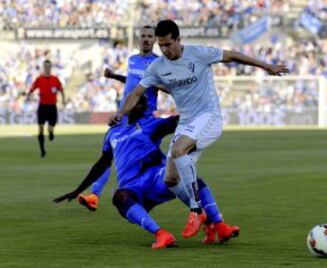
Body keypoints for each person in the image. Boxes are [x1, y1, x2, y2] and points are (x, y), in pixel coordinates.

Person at [111, 19, 289, 239]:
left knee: (177, 151)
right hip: (188, 122)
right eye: (161, 46)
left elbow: (232, 55)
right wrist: (120, 113)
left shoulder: (198, 54)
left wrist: (267, 66)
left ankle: (196, 211)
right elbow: (136, 93)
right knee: (171, 179)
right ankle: (216, 223)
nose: (165, 50)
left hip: (209, 117)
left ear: (178, 39)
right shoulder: (158, 67)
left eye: (168, 44)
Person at [54, 96, 239, 249]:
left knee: (191, 180)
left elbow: (175, 122)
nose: (138, 107)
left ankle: (219, 225)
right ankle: (162, 234)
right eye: (134, 103)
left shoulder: (150, 124)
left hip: (156, 177)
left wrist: (196, 110)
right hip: (134, 188)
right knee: (119, 197)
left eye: (141, 104)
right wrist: (77, 190)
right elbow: (102, 163)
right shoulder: (113, 133)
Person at [77, 25, 163, 210]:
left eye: (150, 36)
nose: (146, 39)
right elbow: (133, 81)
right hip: (125, 115)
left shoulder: (158, 63)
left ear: (155, 40)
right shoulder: (132, 59)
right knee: (109, 154)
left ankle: (196, 205)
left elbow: (159, 85)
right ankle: (94, 195)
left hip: (143, 117)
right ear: (139, 39)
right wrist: (115, 76)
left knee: (150, 160)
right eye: (143, 36)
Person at [26, 59, 65, 157]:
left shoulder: (55, 79)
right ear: (44, 67)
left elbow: (61, 90)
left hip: (52, 107)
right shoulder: (39, 79)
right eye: (46, 66)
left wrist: (63, 100)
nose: (47, 68)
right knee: (40, 128)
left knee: (51, 127)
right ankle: (42, 150)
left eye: (49, 66)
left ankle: (51, 132)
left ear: (50, 67)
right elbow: (32, 89)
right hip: (42, 106)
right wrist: (28, 96)